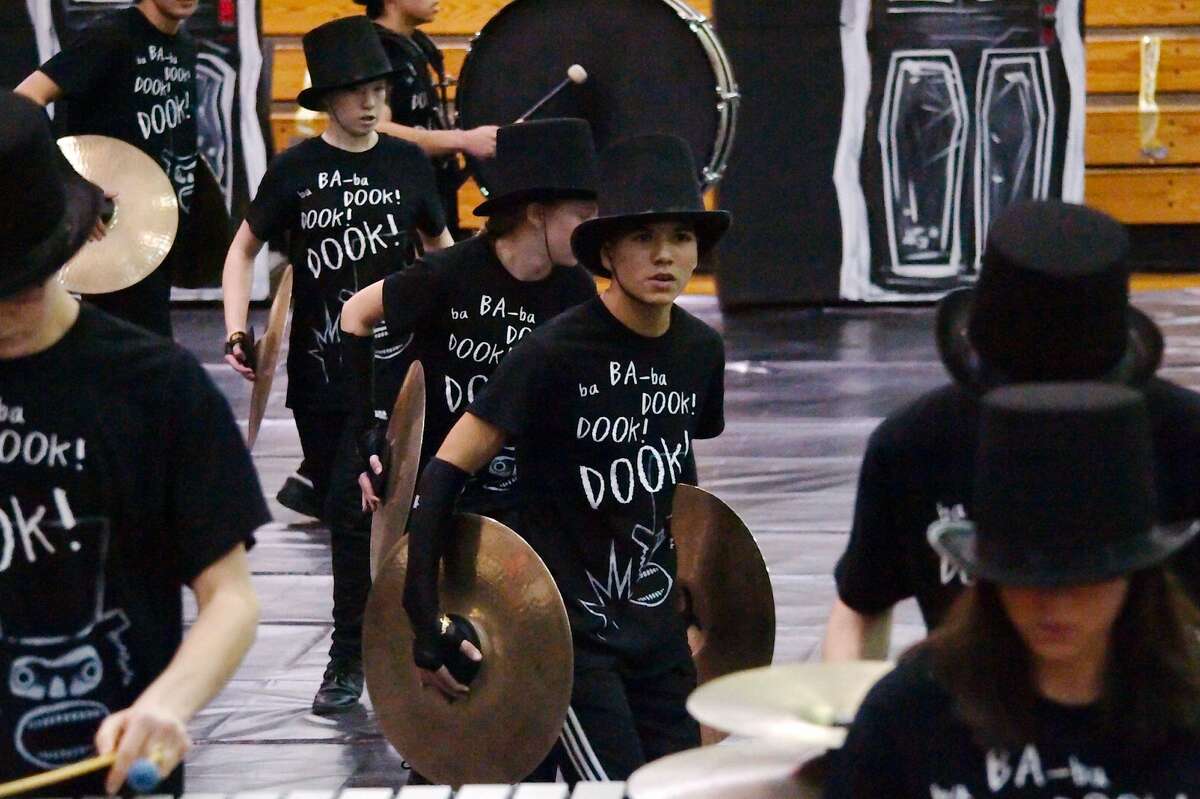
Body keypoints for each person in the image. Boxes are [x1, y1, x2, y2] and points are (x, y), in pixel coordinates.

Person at [401, 134, 729, 781]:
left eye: (680, 236)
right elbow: (446, 468)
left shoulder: (700, 351)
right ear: (607, 250)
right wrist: (421, 614)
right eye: (643, 237)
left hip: (655, 628)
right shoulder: (553, 352)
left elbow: (676, 471)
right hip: (568, 635)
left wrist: (693, 590)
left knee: (684, 787)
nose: (665, 254)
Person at [0, 91, 266, 797]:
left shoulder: (158, 388)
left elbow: (230, 598)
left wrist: (169, 700)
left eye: (16, 288)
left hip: (113, 772)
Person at [822, 201, 1200, 660]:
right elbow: (861, 604)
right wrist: (846, 716)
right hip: (974, 710)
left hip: (1152, 714)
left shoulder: (1187, 439)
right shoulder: (913, 445)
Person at [314, 118, 599, 714]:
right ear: (535, 213)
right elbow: (356, 315)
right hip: (444, 484)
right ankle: (362, 669)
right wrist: (370, 423)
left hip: (527, 493)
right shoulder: (452, 273)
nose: (592, 230)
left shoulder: (577, 294)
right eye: (581, 214)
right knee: (441, 641)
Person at [828, 382, 1200, 796]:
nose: (1055, 605)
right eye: (1025, 577)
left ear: (1137, 576)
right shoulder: (906, 718)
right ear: (987, 579)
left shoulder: (1188, 715)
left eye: (1085, 578)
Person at [222, 16, 452, 522]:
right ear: (327, 98)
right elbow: (241, 251)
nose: (371, 104)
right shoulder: (295, 168)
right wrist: (237, 331)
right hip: (320, 371)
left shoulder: (407, 162)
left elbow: (441, 250)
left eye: (379, 90)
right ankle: (350, 604)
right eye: (356, 93)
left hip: (395, 362)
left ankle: (381, 602)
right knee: (343, 512)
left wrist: (454, 327)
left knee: (393, 511)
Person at [15, 0, 201, 338]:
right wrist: (73, 186)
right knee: (133, 353)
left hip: (153, 230)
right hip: (107, 228)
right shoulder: (111, 37)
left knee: (144, 349)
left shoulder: (185, 46)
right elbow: (25, 99)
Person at [356, 0, 499, 239]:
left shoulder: (414, 46)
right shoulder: (375, 51)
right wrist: (462, 140)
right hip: (397, 213)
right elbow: (375, 131)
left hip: (430, 199)